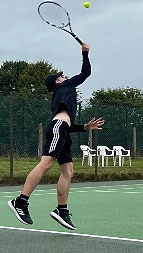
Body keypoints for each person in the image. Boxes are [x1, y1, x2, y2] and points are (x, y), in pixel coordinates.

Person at [7, 43, 104, 230]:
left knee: (68, 172)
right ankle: (20, 202)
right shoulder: (66, 86)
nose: (64, 76)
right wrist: (85, 53)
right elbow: (86, 73)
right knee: (46, 164)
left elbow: (66, 123)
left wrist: (85, 127)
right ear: (58, 82)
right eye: (61, 76)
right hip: (59, 128)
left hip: (63, 130)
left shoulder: (62, 94)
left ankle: (62, 210)